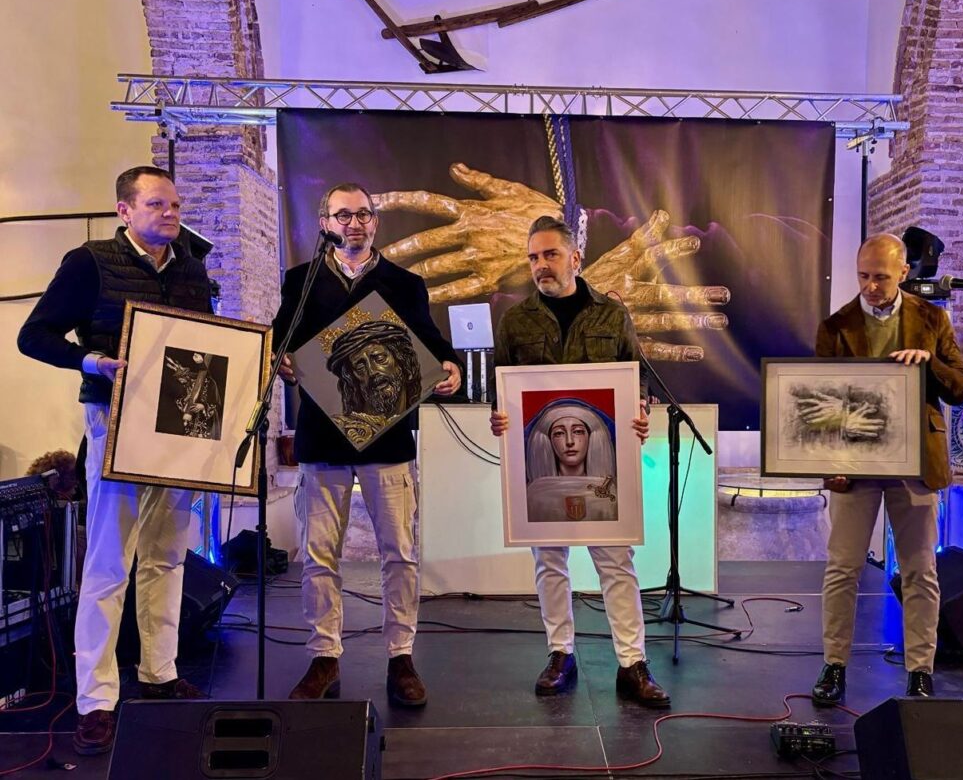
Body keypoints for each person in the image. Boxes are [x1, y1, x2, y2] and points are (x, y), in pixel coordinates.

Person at [17, 166, 210, 755]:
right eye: (156, 205)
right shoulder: (89, 262)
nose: (170, 214)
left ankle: (159, 672)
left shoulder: (191, 267)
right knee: (108, 563)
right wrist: (90, 361)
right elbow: (34, 335)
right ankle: (96, 700)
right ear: (124, 210)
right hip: (114, 421)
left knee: (168, 556)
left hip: (178, 427)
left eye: (175, 205)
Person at [274, 182, 461, 707]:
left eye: (363, 214)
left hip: (390, 440)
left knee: (399, 553)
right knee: (318, 556)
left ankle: (401, 656)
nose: (354, 224)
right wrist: (280, 361)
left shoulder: (404, 283)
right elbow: (280, 341)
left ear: (375, 221)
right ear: (325, 223)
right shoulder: (301, 281)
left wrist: (449, 366)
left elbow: (432, 344)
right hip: (322, 438)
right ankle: (324, 657)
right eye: (343, 215)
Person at [490, 215, 670, 708]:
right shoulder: (515, 321)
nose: (540, 265)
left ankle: (632, 663)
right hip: (541, 470)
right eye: (533, 257)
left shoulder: (611, 316)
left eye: (550, 255)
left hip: (604, 469)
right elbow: (501, 389)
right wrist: (498, 416)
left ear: (575, 258)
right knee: (549, 561)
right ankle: (560, 655)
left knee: (616, 562)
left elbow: (639, 378)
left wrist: (640, 408)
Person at [810, 233, 963, 705]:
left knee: (920, 570)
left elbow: (961, 388)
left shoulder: (933, 319)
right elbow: (820, 403)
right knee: (843, 568)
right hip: (854, 464)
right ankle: (834, 666)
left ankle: (920, 670)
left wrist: (930, 363)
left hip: (915, 463)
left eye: (880, 277)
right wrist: (828, 464)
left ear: (904, 272)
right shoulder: (835, 326)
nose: (870, 286)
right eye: (863, 276)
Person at [525, 400, 618, 522]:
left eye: (578, 431)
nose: (569, 441)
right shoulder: (535, 495)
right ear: (548, 441)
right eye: (559, 433)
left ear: (591, 437)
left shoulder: (612, 491)